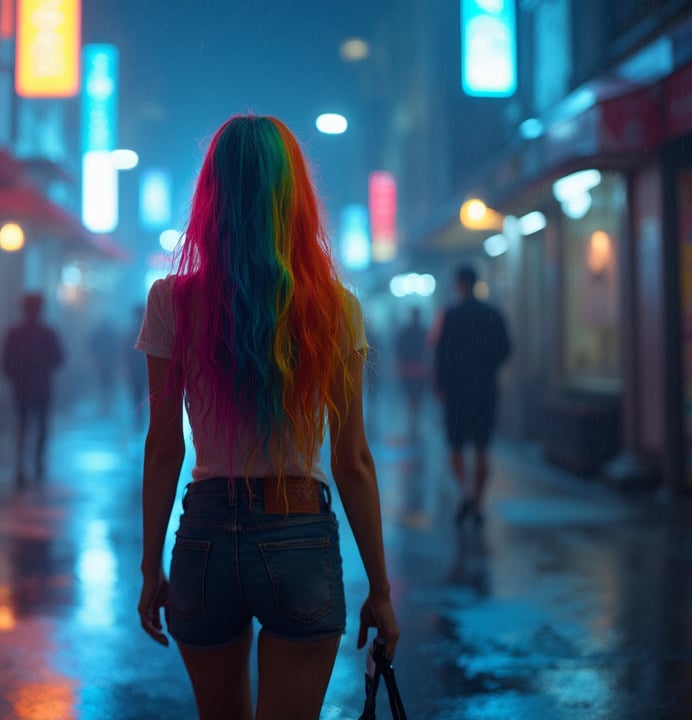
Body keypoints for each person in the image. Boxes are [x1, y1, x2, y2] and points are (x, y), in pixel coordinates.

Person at [135, 115, 399, 720]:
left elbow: (163, 448)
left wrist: (152, 568)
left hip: (203, 539)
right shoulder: (335, 309)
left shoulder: (170, 301)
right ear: (295, 198)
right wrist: (379, 592)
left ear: (212, 196)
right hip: (298, 533)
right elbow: (352, 459)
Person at [433, 265, 511, 527]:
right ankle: (477, 501)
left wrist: (442, 385)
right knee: (482, 447)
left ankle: (465, 493)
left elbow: (441, 354)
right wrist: (486, 369)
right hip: (485, 390)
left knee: (455, 445)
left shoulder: (452, 316)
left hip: (456, 392)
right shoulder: (492, 314)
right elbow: (506, 349)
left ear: (459, 284)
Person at [0, 293, 64, 486]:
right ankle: (37, 461)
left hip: (22, 386)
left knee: (23, 424)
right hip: (41, 386)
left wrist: (17, 375)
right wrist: (42, 368)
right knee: (41, 425)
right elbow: (59, 358)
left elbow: (6, 361)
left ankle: (21, 463)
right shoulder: (47, 333)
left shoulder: (15, 333)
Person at [394, 307, 429, 437]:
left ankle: (412, 418)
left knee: (410, 395)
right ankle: (415, 417)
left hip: (408, 369)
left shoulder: (405, 332)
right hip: (420, 369)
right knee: (417, 395)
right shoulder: (423, 331)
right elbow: (428, 350)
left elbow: (399, 350)